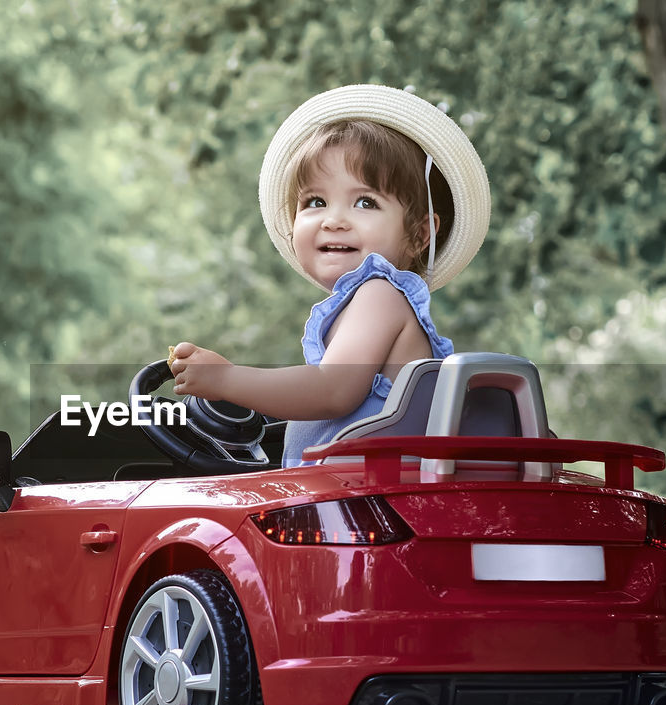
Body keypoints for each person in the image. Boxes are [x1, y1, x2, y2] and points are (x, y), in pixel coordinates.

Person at [168, 84, 491, 466]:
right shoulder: (362, 304)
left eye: (365, 202)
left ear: (420, 234)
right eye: (315, 202)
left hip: (368, 510)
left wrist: (226, 380)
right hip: (342, 502)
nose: (333, 220)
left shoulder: (380, 296)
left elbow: (333, 391)